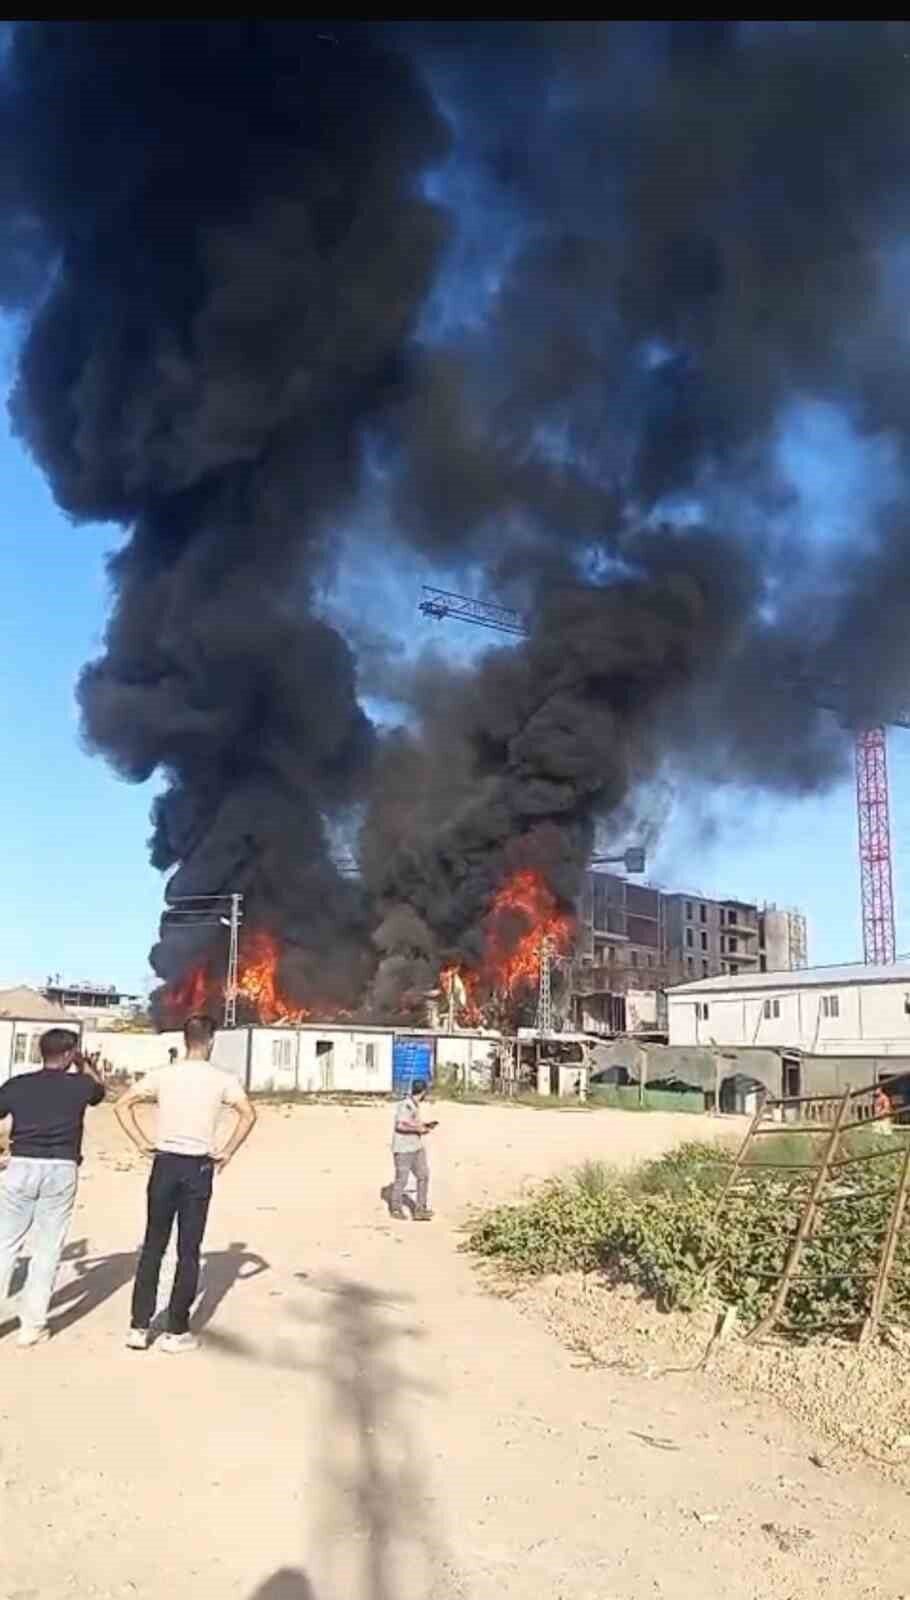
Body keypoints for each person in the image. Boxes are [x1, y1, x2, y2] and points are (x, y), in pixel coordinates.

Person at [115, 1012, 257, 1353]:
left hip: (163, 1163)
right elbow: (248, 1114)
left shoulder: (164, 1075)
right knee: (188, 1250)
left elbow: (123, 1105)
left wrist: (141, 1142)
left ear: (183, 1039)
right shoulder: (222, 1079)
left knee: (153, 1246)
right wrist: (226, 1152)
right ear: (211, 1041)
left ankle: (138, 1326)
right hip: (198, 1167)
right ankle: (176, 1330)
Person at [0, 1027, 105, 1347]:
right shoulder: (81, 1085)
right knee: (48, 1248)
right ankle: (32, 1326)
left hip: (21, 1164)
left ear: (39, 1052)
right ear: (71, 1054)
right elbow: (101, 1091)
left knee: (5, 1244)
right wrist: (87, 1064)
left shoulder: (17, 1085)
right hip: (61, 1167)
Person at [389, 1078, 437, 1221]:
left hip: (416, 1147)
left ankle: (420, 1209)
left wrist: (425, 1125)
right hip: (403, 1149)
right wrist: (419, 1129)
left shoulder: (414, 1105)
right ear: (423, 1092)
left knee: (423, 1176)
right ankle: (396, 1208)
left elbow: (410, 1122)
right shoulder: (406, 1105)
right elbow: (400, 1126)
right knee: (401, 1180)